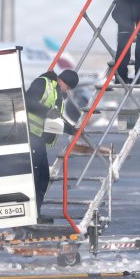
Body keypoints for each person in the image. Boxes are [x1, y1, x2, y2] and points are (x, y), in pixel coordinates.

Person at [25, 68, 79, 224]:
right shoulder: (43, 83)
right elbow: (28, 102)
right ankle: (31, 216)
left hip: (38, 140)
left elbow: (55, 118)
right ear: (62, 81)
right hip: (29, 136)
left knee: (43, 177)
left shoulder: (58, 94)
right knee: (37, 178)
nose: (66, 90)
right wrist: (47, 111)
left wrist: (70, 129)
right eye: (67, 87)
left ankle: (35, 214)